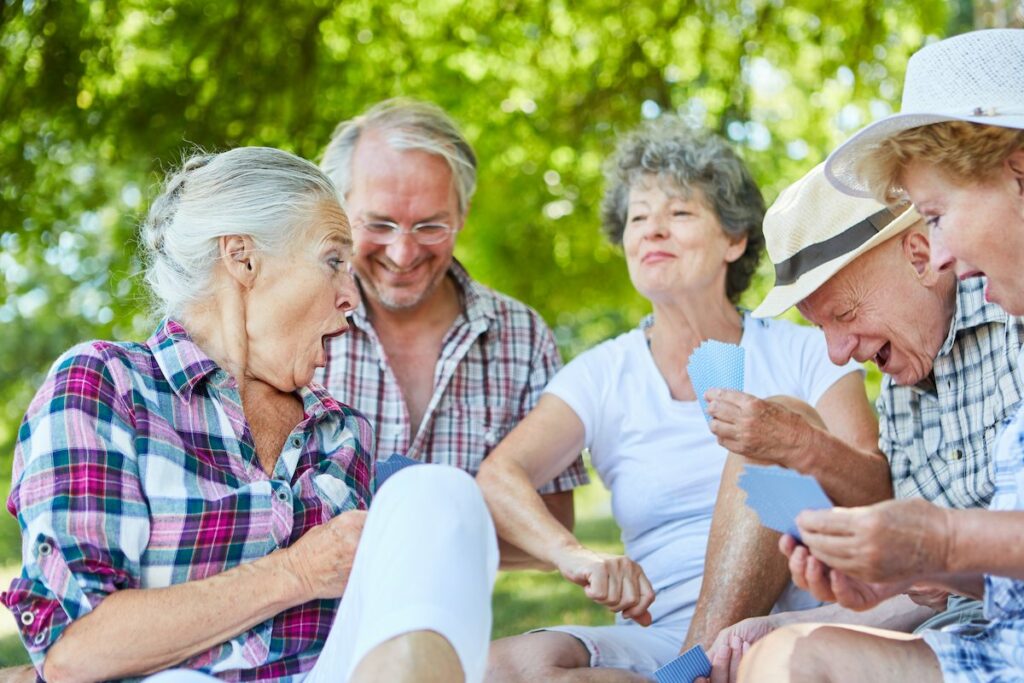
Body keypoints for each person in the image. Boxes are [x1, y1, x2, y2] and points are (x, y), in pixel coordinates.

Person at [0, 147, 498, 682]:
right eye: (333, 260)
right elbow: (74, 650)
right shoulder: (109, 385)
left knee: (440, 491)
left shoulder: (341, 433)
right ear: (242, 257)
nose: (353, 296)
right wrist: (297, 572)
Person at [480, 117, 876, 682]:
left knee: (773, 422)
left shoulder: (810, 351)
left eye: (680, 213)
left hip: (788, 623)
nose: (652, 231)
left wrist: (792, 439)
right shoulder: (602, 372)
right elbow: (499, 476)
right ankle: (691, 671)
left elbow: (874, 489)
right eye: (638, 218)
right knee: (504, 668)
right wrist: (575, 554)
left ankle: (695, 668)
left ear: (734, 240)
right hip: (659, 637)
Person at [737, 28, 1024, 683]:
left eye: (936, 214)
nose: (943, 252)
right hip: (990, 644)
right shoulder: (910, 382)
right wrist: (914, 569)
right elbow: (994, 588)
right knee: (779, 656)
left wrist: (941, 541)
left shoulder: (1006, 314)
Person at [317, 99, 586, 564]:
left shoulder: (521, 337)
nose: (402, 254)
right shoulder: (294, 321)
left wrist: (421, 540)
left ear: (461, 214)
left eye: (430, 226)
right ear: (339, 212)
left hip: (446, 628)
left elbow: (554, 525)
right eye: (379, 224)